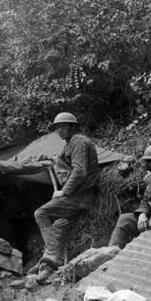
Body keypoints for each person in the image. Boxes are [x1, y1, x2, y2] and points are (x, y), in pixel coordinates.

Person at [33, 112, 100, 271]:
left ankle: (53, 254)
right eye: (57, 128)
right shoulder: (70, 144)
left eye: (63, 126)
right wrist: (52, 159)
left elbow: (79, 171)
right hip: (80, 196)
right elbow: (62, 161)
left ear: (72, 127)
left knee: (41, 213)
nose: (60, 130)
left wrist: (63, 192)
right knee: (61, 223)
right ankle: (50, 265)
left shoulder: (78, 142)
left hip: (81, 195)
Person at [108, 143, 151, 248]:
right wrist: (142, 214)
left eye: (150, 161)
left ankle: (150, 257)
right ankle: (109, 254)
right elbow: (145, 200)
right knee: (125, 219)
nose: (145, 165)